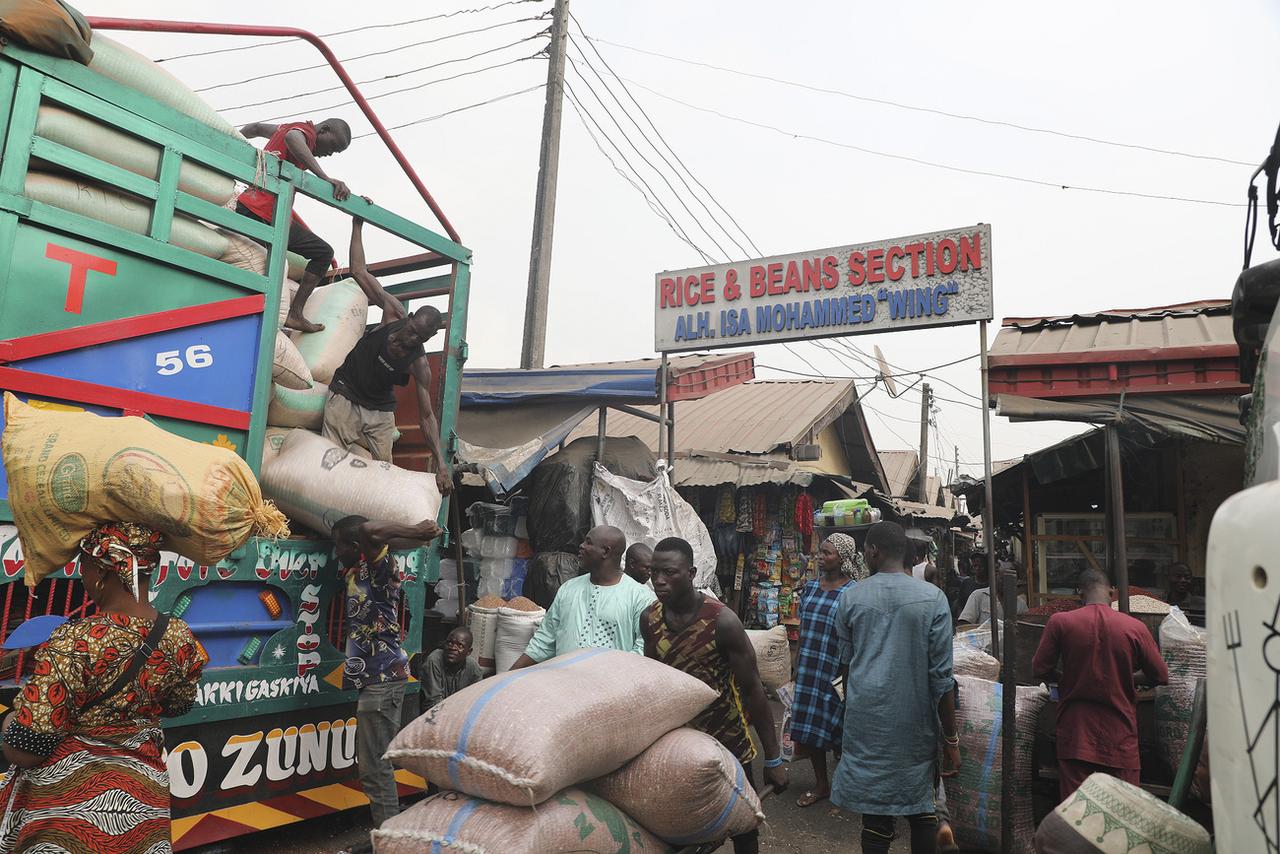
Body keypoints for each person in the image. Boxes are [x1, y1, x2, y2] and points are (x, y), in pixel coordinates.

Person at [0, 522, 206, 853]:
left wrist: (8, 723)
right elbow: (178, 706)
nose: (82, 574)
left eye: (84, 564)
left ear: (100, 570)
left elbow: (25, 750)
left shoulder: (74, 641)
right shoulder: (180, 639)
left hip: (71, 822)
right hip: (143, 814)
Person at [642, 537, 787, 854]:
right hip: (678, 743)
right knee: (680, 825)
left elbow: (753, 692)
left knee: (744, 827)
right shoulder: (650, 620)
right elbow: (653, 684)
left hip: (729, 741)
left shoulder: (722, 622)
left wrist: (773, 758)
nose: (659, 580)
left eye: (669, 572)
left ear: (692, 573)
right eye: (654, 572)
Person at [831, 521, 960, 854]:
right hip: (915, 725)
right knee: (922, 812)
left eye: (865, 551)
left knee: (875, 821)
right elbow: (942, 678)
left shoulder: (850, 598)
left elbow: (846, 668)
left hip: (866, 723)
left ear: (874, 551)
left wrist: (849, 716)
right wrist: (951, 738)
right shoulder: (934, 599)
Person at [332, 514, 442, 834]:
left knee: (375, 770)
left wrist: (419, 530)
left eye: (340, 546)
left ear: (356, 547)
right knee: (374, 767)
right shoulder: (360, 567)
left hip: (383, 680)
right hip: (375, 681)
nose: (336, 553)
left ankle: (391, 837)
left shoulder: (379, 568)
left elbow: (369, 529)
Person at [1032, 568, 1169, 800]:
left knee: (1075, 814)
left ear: (1079, 593)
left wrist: (1067, 678)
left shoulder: (1060, 622)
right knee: (1123, 812)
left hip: (1076, 734)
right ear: (1112, 591)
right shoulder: (1134, 627)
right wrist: (1126, 676)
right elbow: (1160, 676)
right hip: (1120, 735)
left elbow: (1040, 669)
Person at [236, 117, 353, 332]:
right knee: (322, 253)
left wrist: (234, 143)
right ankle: (295, 313)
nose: (330, 154)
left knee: (315, 252)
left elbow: (256, 127)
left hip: (257, 208)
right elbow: (293, 138)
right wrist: (325, 178)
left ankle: (290, 312)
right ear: (323, 129)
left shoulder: (286, 128)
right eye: (332, 147)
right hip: (262, 213)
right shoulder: (304, 133)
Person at [323, 305, 453, 494]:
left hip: (380, 406)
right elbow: (361, 275)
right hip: (346, 391)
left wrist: (441, 465)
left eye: (421, 338)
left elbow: (426, 417)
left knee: (385, 471)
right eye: (413, 331)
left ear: (429, 338)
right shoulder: (391, 316)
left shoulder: (419, 365)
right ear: (409, 318)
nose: (413, 339)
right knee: (329, 459)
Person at [510, 526, 655, 669]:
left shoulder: (640, 597)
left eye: (588, 542)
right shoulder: (568, 589)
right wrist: (509, 676)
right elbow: (544, 641)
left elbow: (642, 652)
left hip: (611, 689)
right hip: (565, 684)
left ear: (605, 551)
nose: (581, 546)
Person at [793, 533, 861, 809]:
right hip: (811, 668)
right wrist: (796, 666)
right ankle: (821, 784)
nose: (820, 556)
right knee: (813, 728)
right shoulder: (810, 588)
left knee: (844, 728)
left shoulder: (854, 593)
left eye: (827, 553)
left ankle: (851, 786)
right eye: (820, 552)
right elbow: (803, 629)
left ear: (843, 559)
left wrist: (851, 674)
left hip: (839, 670)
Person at [421, 627, 482, 710]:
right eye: (450, 643)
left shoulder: (474, 668)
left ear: (468, 652)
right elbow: (433, 701)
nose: (453, 648)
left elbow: (476, 701)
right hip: (433, 714)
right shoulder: (434, 660)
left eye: (460, 645)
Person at [957, 573, 1027, 626]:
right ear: (996, 577)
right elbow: (964, 623)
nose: (1005, 582)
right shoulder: (978, 596)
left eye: (1009, 579)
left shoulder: (1020, 603)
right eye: (1002, 579)